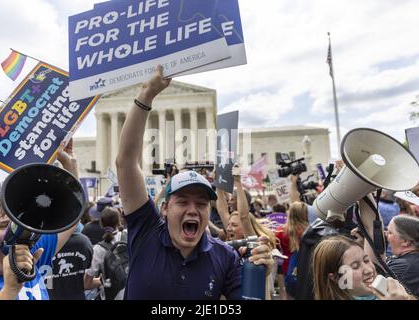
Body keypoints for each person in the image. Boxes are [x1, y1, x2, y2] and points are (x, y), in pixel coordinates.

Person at [116, 65, 274, 299]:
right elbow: (126, 162)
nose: (193, 210)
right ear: (165, 208)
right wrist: (146, 95)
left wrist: (261, 278)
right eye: (182, 201)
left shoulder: (225, 257)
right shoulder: (147, 233)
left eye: (201, 203)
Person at [0, 139, 79, 300]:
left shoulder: (30, 255)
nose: (14, 231)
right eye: (2, 226)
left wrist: (70, 165)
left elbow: (71, 216)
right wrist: (9, 291)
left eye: (17, 223)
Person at [312, 235, 415, 300]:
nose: (369, 270)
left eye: (366, 260)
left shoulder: (391, 292)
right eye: (355, 266)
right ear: (335, 278)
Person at [85, 207, 126, 300]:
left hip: (110, 295)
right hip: (131, 292)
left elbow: (86, 284)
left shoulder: (98, 249)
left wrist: (102, 281)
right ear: (119, 221)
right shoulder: (129, 236)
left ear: (101, 223)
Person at [47, 224, 93, 300]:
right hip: (77, 295)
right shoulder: (85, 242)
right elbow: (87, 269)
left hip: (51, 296)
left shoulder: (47, 243)